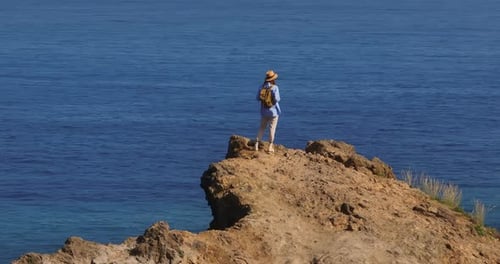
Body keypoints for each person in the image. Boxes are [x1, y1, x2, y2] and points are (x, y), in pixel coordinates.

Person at [255, 70, 281, 153]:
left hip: (264, 111)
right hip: (274, 112)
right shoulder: (275, 87)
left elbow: (257, 98)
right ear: (273, 79)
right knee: (272, 128)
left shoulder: (261, 86)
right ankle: (270, 146)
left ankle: (256, 144)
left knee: (261, 128)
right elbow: (277, 99)